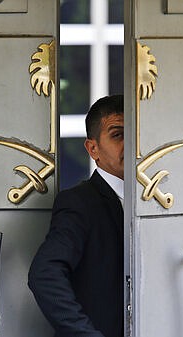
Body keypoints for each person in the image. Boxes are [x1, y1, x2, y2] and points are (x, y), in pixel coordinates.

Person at [28, 95, 124, 337]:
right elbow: (44, 273)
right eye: (118, 134)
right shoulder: (80, 202)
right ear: (93, 148)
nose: (131, 144)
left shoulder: (157, 203)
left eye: (136, 134)